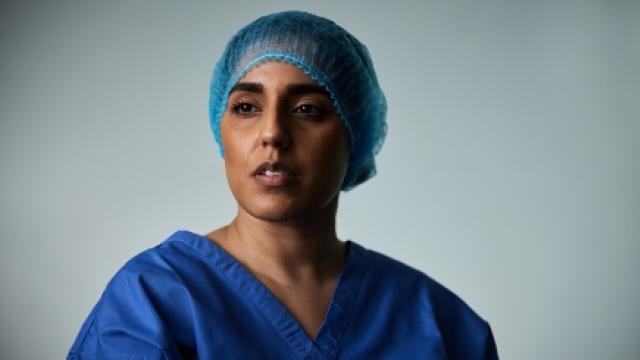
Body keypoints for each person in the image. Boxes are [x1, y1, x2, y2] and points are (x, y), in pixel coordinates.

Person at [67, 10, 498, 359]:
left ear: (354, 133)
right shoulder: (153, 301)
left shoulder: (439, 324)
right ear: (223, 131)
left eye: (308, 109)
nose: (272, 132)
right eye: (247, 106)